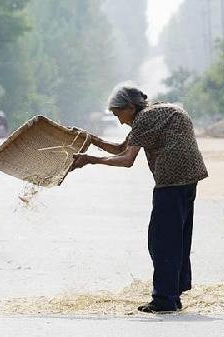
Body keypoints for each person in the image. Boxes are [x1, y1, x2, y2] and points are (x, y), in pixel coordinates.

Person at [71, 85, 208, 312]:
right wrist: (91, 139)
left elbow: (126, 159)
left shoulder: (144, 119)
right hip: (189, 179)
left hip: (171, 183)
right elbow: (121, 147)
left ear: (130, 107)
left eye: (118, 115)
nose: (120, 121)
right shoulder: (154, 113)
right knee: (178, 238)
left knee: (161, 242)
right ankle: (173, 294)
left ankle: (164, 299)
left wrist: (91, 160)